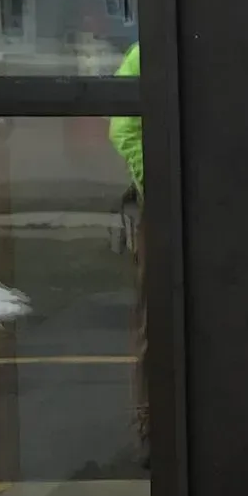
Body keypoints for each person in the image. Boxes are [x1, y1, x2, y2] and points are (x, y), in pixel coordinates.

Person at [107, 43, 152, 463]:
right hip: (163, 212)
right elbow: (122, 129)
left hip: (226, 207)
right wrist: (157, 181)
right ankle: (152, 429)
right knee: (155, 326)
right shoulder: (145, 53)